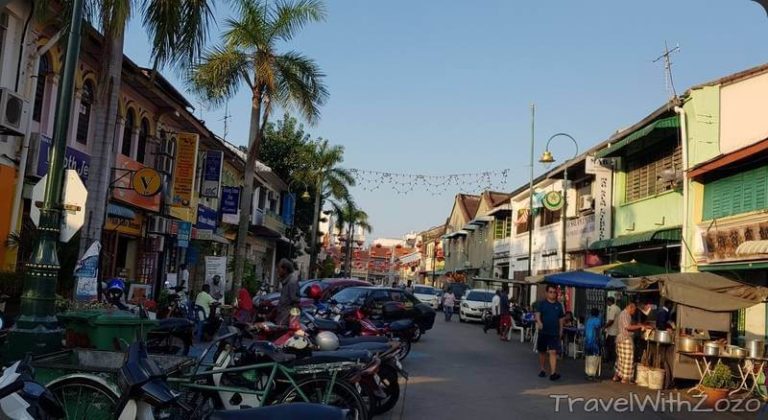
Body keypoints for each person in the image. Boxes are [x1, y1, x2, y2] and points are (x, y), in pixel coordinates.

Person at [535, 285, 565, 381]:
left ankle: (553, 373)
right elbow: (537, 314)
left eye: (554, 292)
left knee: (553, 351)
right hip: (544, 331)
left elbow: (561, 319)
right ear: (547, 293)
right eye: (551, 292)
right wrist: (539, 322)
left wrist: (561, 330)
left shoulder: (558, 305)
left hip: (554, 332)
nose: (553, 294)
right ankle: (542, 369)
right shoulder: (542, 304)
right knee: (542, 351)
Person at [613, 302, 647, 384]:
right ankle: (625, 378)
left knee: (620, 359)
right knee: (628, 358)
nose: (634, 312)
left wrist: (637, 324)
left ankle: (616, 376)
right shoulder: (625, 314)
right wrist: (640, 326)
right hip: (625, 339)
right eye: (634, 310)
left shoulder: (625, 314)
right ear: (630, 308)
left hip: (621, 339)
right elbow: (627, 327)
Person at [276, 258, 300, 326]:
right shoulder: (285, 282)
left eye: (279, 268)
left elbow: (295, 303)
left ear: (285, 270)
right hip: (281, 318)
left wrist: (291, 321)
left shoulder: (292, 282)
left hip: (286, 321)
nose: (277, 270)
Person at [584, 308, 603, 380]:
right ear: (598, 314)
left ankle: (588, 372)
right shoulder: (597, 320)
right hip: (594, 340)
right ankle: (592, 374)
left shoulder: (588, 320)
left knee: (588, 356)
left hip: (587, 340)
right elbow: (598, 330)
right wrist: (599, 339)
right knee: (594, 357)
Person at [604, 297, 621, 365]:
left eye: (607, 301)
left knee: (611, 347)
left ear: (609, 301)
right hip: (615, 331)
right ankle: (611, 360)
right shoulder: (618, 308)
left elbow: (611, 320)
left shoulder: (613, 309)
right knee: (612, 347)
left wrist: (604, 327)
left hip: (612, 331)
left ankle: (611, 361)